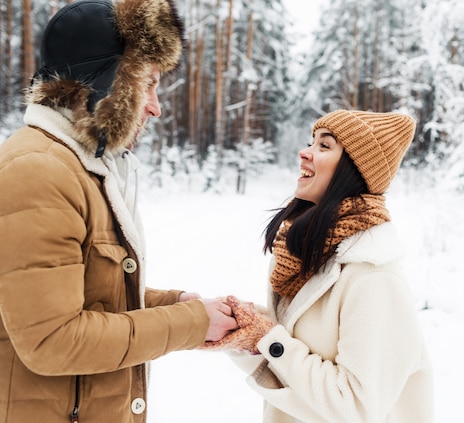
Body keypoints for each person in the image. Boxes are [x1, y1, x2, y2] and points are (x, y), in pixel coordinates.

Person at [0, 1, 238, 421]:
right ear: (107, 82)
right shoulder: (39, 170)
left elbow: (84, 295)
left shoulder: (79, 166)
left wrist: (173, 303)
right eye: (147, 84)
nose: (155, 106)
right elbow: (53, 339)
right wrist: (188, 323)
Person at [204, 110, 434, 422]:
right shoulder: (304, 254)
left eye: (324, 146)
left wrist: (268, 339)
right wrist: (249, 334)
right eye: (311, 143)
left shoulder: (373, 277)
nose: (304, 152)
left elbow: (356, 408)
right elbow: (296, 363)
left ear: (354, 170)